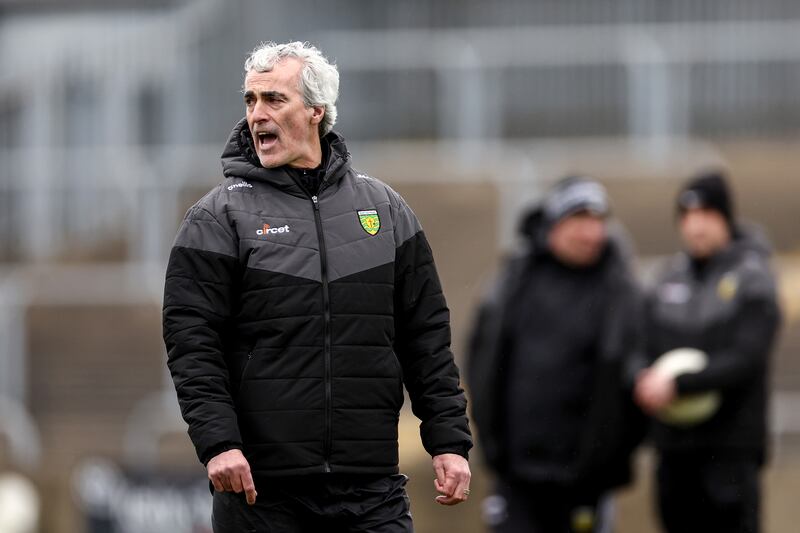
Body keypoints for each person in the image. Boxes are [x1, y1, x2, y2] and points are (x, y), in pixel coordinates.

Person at [162, 41, 472, 532]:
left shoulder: (386, 211)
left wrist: (449, 442)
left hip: (371, 488)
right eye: (250, 100)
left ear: (315, 112)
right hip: (261, 492)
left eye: (273, 100)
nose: (256, 114)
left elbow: (426, 338)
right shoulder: (216, 217)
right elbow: (191, 344)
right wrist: (219, 443)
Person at [467, 177, 644, 533]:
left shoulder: (620, 289)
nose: (590, 233)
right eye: (579, 220)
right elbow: (482, 357)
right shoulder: (516, 280)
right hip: (516, 474)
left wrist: (607, 456)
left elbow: (633, 372)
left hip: (584, 482)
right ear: (553, 225)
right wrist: (491, 443)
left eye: (597, 222)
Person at [634, 171, 781, 533]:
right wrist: (641, 377)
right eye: (687, 216)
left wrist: (680, 385)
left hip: (730, 451)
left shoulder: (754, 279)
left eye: (707, 215)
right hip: (674, 451)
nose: (696, 226)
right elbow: (640, 346)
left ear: (726, 218)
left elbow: (746, 358)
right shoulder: (667, 279)